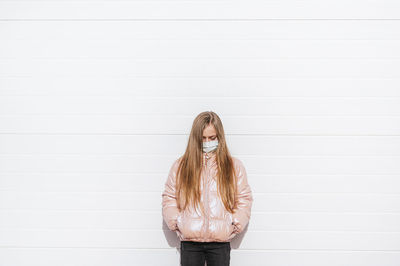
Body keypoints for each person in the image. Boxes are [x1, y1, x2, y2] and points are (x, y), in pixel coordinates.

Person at [161, 111, 253, 266]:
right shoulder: (181, 166)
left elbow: (244, 198)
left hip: (220, 243)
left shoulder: (233, 166)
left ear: (219, 137)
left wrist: (235, 223)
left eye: (212, 138)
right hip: (190, 242)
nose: (207, 142)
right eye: (203, 138)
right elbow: (169, 196)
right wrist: (177, 222)